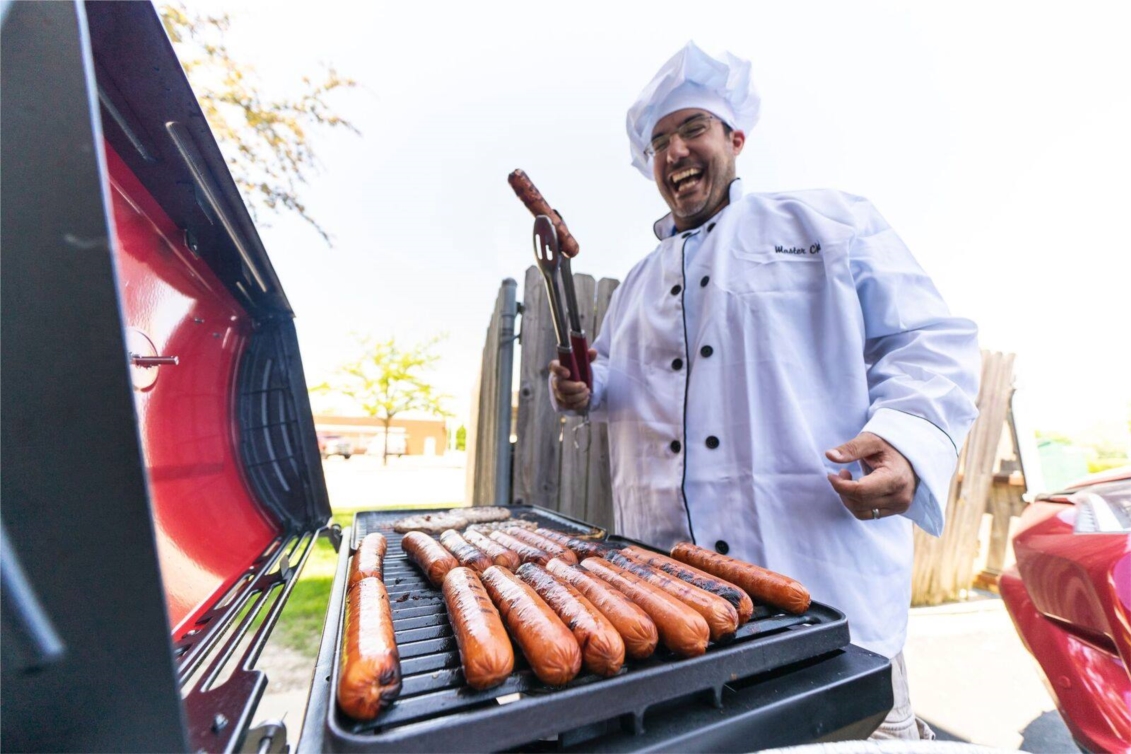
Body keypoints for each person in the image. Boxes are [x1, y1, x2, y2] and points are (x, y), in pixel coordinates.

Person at [549, 41, 980, 740]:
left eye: (692, 129)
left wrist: (906, 438)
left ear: (734, 139)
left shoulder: (825, 224)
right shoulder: (633, 285)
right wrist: (582, 389)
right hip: (674, 611)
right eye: (659, 141)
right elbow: (621, 385)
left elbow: (928, 339)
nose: (675, 151)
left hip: (826, 596)